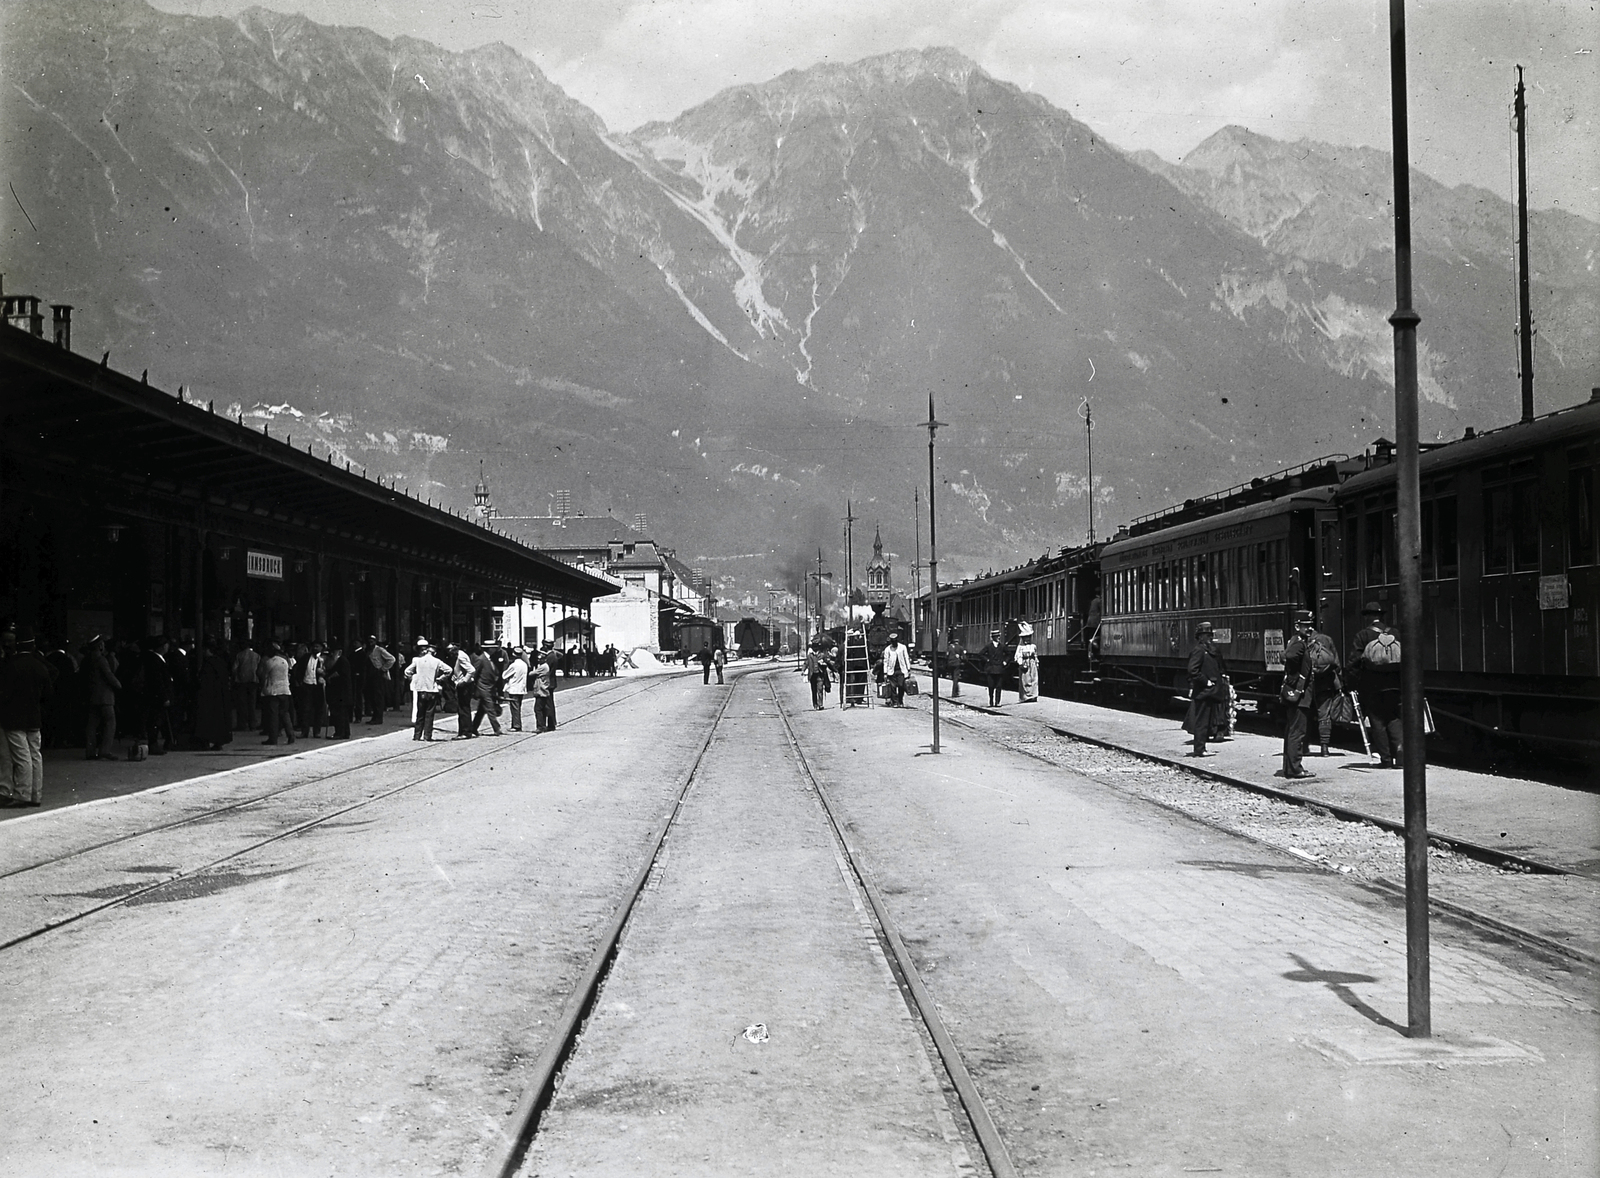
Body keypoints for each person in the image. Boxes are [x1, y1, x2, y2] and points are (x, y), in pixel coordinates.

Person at [0, 627, 56, 807]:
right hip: (34, 716)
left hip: (14, 718)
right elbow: (48, 694)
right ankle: (35, 794)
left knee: (21, 756)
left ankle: (22, 794)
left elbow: (4, 694)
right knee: (35, 756)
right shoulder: (40, 665)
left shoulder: (12, 666)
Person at [1349, 602, 1403, 767]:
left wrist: (1351, 684)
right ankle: (1401, 755)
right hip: (1395, 684)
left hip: (1372, 685)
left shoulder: (1363, 636)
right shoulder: (1395, 633)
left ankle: (1385, 759)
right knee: (1394, 718)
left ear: (1368, 617)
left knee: (1377, 721)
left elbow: (1354, 662)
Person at [1278, 610, 1317, 779]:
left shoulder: (1298, 641)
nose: (1309, 629)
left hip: (1296, 693)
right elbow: (1287, 656)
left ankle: (1290, 767)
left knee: (1292, 731)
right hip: (1298, 694)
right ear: (1297, 626)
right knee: (1297, 732)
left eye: (1310, 625)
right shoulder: (1299, 643)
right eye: (1305, 626)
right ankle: (1296, 768)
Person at [1185, 621, 1227, 757]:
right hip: (1203, 691)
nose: (1209, 637)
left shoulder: (1210, 650)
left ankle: (1202, 747)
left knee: (1207, 721)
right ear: (1200, 637)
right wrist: (1206, 682)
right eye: (1206, 635)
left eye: (1210, 635)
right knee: (1201, 722)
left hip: (1211, 692)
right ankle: (1199, 749)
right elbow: (1193, 670)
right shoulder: (1199, 650)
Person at [81, 635, 121, 761]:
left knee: (92, 725)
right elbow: (109, 676)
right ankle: (105, 750)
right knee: (110, 722)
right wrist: (119, 685)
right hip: (105, 697)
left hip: (92, 696)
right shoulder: (101, 660)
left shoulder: (86, 660)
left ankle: (90, 751)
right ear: (100, 646)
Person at [194, 637, 234, 750]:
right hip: (221, 696)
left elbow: (204, 680)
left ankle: (206, 740)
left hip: (209, 696)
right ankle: (219, 741)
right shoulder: (221, 662)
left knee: (207, 719)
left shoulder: (208, 664)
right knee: (220, 719)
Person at [404, 639, 447, 741]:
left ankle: (417, 735)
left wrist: (414, 678)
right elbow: (449, 670)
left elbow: (407, 671)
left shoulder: (417, 660)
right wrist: (440, 678)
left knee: (420, 713)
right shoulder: (437, 661)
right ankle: (427, 736)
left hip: (421, 689)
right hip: (432, 689)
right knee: (429, 713)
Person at [142, 636, 175, 755]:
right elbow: (158, 681)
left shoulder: (156, 659)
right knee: (155, 720)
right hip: (157, 697)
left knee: (157, 720)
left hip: (156, 696)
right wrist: (164, 697)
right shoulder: (155, 661)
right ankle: (153, 744)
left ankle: (156, 743)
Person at [260, 642, 295, 745]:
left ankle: (273, 738)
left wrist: (263, 689)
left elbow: (264, 677)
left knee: (273, 716)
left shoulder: (269, 662)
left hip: (273, 692)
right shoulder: (284, 661)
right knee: (285, 714)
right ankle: (291, 735)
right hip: (285, 691)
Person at [467, 643, 503, 736]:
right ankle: (497, 728)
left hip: (490, 687)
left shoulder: (491, 659)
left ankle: (473, 728)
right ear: (489, 649)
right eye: (494, 648)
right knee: (490, 707)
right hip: (483, 687)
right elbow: (475, 673)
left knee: (482, 710)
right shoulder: (481, 659)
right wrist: (474, 688)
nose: (495, 650)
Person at [362, 636, 396, 725]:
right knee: (372, 697)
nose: (370, 643)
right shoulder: (367, 651)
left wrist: (383, 669)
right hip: (370, 676)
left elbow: (391, 659)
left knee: (378, 697)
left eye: (372, 641)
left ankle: (378, 717)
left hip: (378, 675)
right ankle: (374, 716)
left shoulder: (379, 650)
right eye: (369, 641)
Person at [445, 642, 476, 738]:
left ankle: (465, 732)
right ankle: (466, 730)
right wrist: (456, 677)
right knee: (464, 708)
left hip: (465, 686)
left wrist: (463, 681)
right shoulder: (460, 655)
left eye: (450, 649)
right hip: (465, 684)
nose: (449, 652)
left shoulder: (461, 656)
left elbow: (471, 670)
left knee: (463, 708)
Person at [231, 640, 261, 730]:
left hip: (242, 682)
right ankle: (252, 724)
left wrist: (236, 677)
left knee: (242, 704)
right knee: (252, 704)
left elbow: (234, 668)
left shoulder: (240, 655)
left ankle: (243, 724)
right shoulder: (256, 656)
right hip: (254, 681)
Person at [502, 647, 529, 731]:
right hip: (522, 688)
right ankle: (516, 724)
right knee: (518, 706)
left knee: (514, 707)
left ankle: (516, 725)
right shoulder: (524, 664)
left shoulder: (514, 665)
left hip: (514, 688)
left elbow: (504, 675)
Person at [531, 643, 557, 732]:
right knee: (547, 705)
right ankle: (549, 724)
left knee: (546, 706)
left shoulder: (549, 658)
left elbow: (533, 673)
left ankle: (547, 725)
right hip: (549, 684)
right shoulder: (553, 655)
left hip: (546, 685)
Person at [880, 631, 910, 706]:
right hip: (891, 671)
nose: (894, 643)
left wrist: (908, 668)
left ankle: (900, 700)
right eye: (892, 641)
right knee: (893, 687)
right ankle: (895, 702)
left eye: (895, 641)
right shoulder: (887, 649)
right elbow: (886, 661)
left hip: (901, 670)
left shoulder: (902, 647)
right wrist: (885, 672)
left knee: (901, 685)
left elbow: (906, 658)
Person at [978, 630, 1007, 706]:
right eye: (997, 636)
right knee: (991, 686)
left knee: (999, 686)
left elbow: (1009, 655)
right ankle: (991, 701)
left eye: (999, 636)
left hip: (999, 668)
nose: (998, 638)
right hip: (990, 669)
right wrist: (987, 660)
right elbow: (981, 654)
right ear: (993, 637)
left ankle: (997, 702)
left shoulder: (1002, 646)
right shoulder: (988, 646)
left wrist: (1005, 661)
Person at [1015, 622, 1039, 703]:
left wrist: (1037, 662)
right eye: (1025, 637)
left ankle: (1034, 695)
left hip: (1032, 663)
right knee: (1025, 680)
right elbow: (1018, 656)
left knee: (1034, 679)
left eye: (1028, 637)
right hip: (1025, 663)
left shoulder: (1033, 646)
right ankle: (1025, 696)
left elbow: (1035, 655)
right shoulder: (1020, 647)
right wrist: (1021, 663)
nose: (1027, 639)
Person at [805, 644, 833, 710]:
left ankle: (820, 704)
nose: (816, 650)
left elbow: (827, 662)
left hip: (820, 675)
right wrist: (803, 670)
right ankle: (815, 704)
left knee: (820, 689)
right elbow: (806, 663)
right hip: (812, 676)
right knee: (814, 691)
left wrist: (823, 663)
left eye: (816, 648)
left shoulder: (822, 655)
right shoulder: (810, 656)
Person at [945, 629, 963, 698]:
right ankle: (954, 693)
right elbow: (963, 657)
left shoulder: (949, 648)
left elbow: (946, 656)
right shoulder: (960, 648)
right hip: (957, 664)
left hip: (950, 664)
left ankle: (956, 691)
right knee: (956, 679)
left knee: (954, 678)